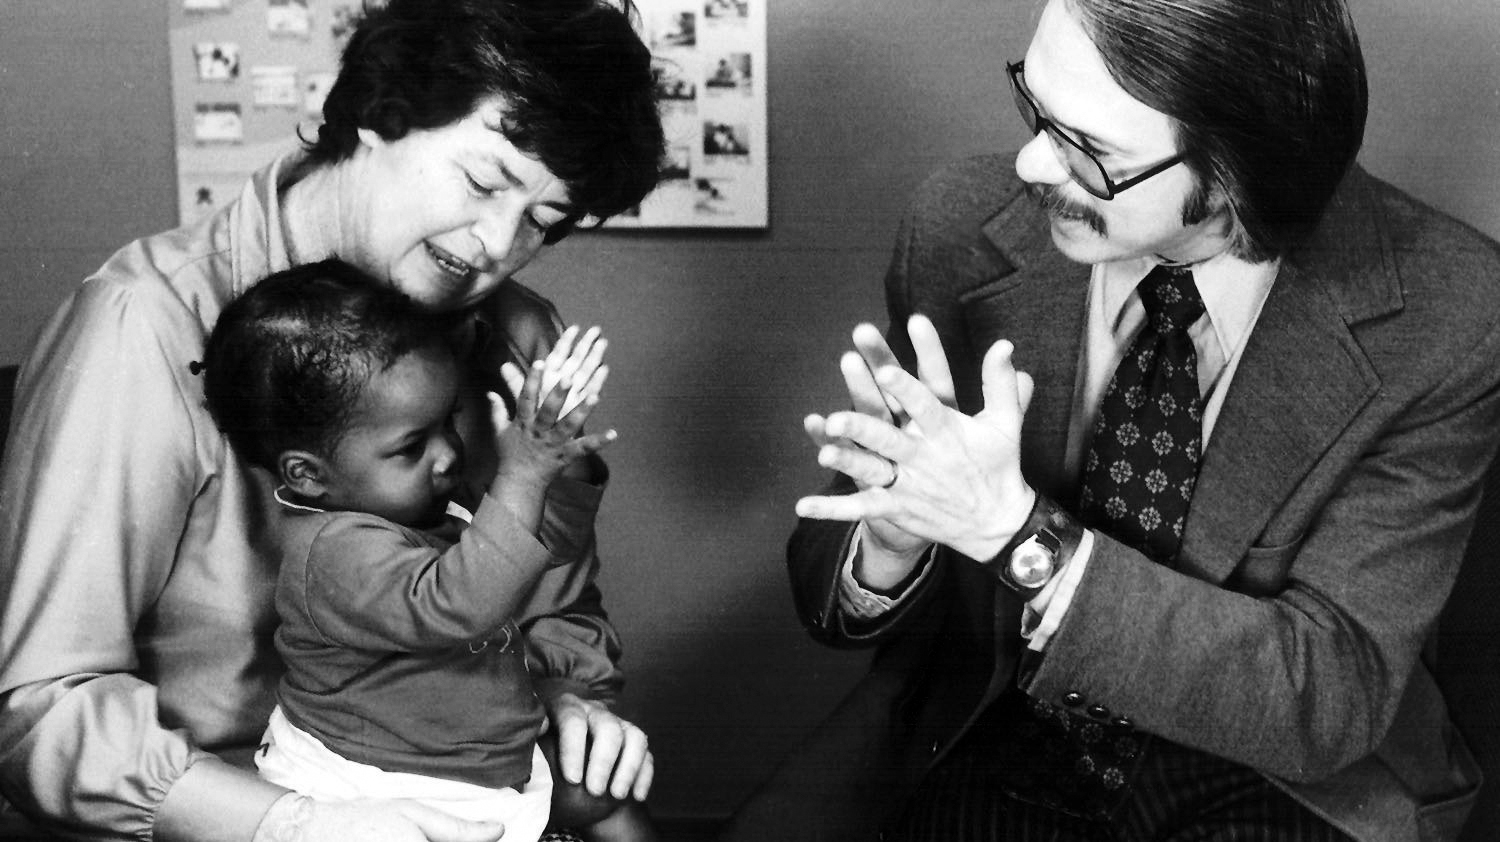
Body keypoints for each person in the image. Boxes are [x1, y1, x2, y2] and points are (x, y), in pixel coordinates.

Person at [724, 0, 1500, 840]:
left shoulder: (1450, 312)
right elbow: (834, 597)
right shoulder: (957, 229)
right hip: (1003, 720)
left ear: (1234, 178)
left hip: (1282, 773)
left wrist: (1016, 534)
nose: (1029, 163)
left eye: (1088, 152)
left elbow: (1328, 689)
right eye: (1036, 109)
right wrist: (895, 536)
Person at [0, 1, 665, 840]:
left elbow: (557, 604)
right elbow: (44, 711)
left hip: (477, 788)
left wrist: (574, 698)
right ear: (379, 115)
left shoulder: (519, 332)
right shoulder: (144, 323)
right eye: (484, 180)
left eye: (542, 220)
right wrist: (297, 824)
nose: (498, 242)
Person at [198, 261, 643, 842]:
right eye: (412, 446)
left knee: (612, 799)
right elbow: (460, 601)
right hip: (378, 793)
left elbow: (541, 551)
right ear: (308, 475)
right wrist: (525, 472)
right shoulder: (331, 552)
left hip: (473, 773)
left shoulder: (422, 510)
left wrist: (557, 466)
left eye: (448, 421)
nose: (447, 455)